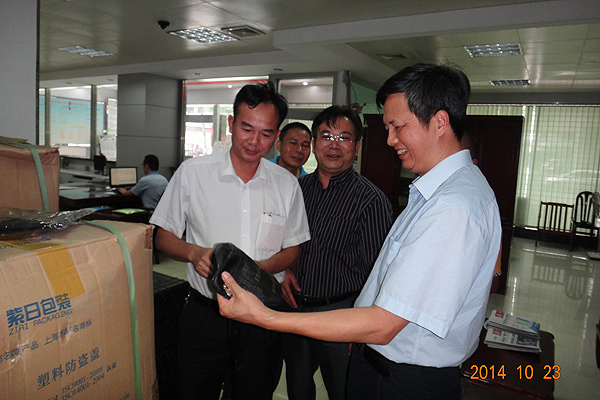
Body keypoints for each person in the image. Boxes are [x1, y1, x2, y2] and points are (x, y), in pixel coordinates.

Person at [217, 63, 502, 400]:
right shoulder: (439, 193)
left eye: (398, 127)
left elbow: (383, 324)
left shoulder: (452, 208)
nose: (390, 140)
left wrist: (264, 316)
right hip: (378, 358)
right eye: (388, 128)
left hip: (400, 376)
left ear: (439, 122)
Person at [150, 81, 311, 400]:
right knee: (193, 391)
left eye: (266, 134)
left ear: (276, 136)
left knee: (255, 393)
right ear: (231, 123)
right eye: (246, 128)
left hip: (261, 316)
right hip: (205, 314)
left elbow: (293, 248)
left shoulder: (286, 184)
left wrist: (259, 269)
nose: (254, 141)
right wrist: (193, 253)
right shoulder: (193, 173)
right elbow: (162, 236)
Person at [281, 106, 393, 400]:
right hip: (295, 310)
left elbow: (378, 273)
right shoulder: (296, 190)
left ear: (356, 148)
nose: (334, 145)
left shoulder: (371, 200)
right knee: (297, 390)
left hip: (343, 314)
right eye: (326, 136)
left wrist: (361, 329)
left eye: (344, 138)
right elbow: (283, 242)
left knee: (343, 392)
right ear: (315, 143)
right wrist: (284, 270)